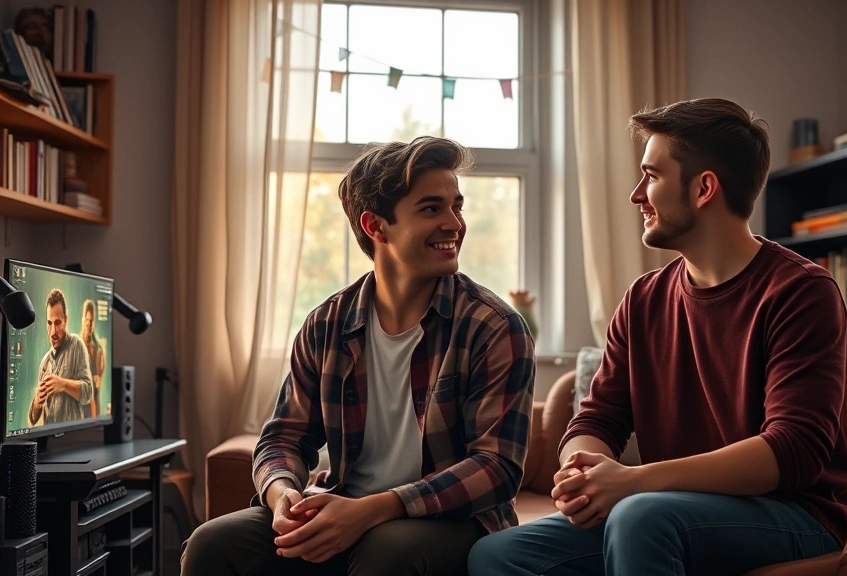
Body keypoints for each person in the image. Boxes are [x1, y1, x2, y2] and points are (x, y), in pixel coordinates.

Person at [469, 98, 847, 576]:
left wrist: (633, 483)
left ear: (704, 188)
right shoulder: (643, 299)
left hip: (793, 515)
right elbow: (598, 417)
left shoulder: (800, 292)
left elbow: (794, 450)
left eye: (651, 176)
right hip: (665, 510)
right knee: (497, 554)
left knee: (639, 515)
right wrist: (582, 471)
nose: (636, 194)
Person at [181, 136, 536, 576]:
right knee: (213, 543)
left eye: (456, 206)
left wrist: (373, 510)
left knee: (385, 554)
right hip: (344, 504)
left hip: (451, 521)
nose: (455, 224)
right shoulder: (326, 324)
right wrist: (282, 496)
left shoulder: (494, 327)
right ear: (376, 226)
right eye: (432, 209)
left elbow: (497, 468)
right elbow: (284, 438)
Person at [29, 288, 93, 426]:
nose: (53, 331)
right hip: (49, 442)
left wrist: (63, 384)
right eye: (49, 323)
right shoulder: (44, 363)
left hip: (74, 440)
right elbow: (33, 419)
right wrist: (36, 401)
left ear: (66, 320)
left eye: (57, 323)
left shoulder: (76, 345)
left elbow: (88, 392)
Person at [80, 299, 106, 418]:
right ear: (83, 320)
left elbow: (98, 382)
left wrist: (97, 378)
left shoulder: (98, 349)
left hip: (94, 405)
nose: (89, 325)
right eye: (87, 320)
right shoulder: (76, 344)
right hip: (79, 405)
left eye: (91, 321)